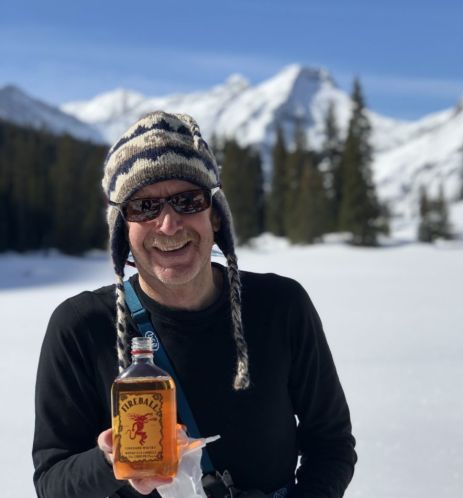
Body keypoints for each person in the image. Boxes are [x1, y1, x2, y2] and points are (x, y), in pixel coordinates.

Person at [32, 111, 357, 498]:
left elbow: (331, 444)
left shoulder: (280, 306)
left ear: (214, 215)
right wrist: (109, 462)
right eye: (145, 207)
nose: (169, 224)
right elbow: (52, 482)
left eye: (187, 201)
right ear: (123, 228)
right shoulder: (81, 326)